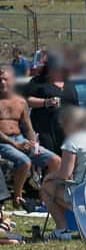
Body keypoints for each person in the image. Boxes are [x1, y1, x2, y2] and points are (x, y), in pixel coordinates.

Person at [42, 105, 86, 234]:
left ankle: (62, 230)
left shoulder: (74, 141)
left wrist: (49, 176)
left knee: (46, 187)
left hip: (84, 192)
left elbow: (64, 175)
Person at [0, 71, 58, 210]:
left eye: (5, 79)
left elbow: (28, 127)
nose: (2, 83)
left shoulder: (21, 102)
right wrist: (15, 144)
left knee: (55, 160)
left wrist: (34, 145)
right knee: (25, 162)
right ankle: (17, 199)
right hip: (3, 142)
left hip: (20, 139)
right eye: (0, 80)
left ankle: (46, 195)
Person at [22, 56, 67, 155]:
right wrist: (46, 102)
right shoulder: (38, 81)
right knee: (52, 160)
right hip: (45, 130)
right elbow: (27, 100)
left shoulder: (68, 82)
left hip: (66, 130)